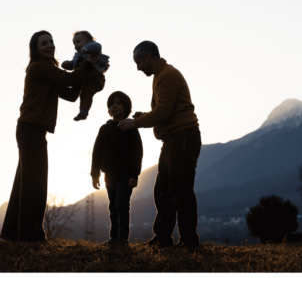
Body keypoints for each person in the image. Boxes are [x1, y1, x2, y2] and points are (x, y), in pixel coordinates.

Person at [0, 30, 102, 243]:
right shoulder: (40, 68)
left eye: (51, 41)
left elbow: (72, 94)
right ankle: (30, 234)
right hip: (30, 129)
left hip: (32, 130)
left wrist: (88, 79)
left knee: (25, 182)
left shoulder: (49, 71)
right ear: (35, 49)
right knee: (34, 182)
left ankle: (12, 232)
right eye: (44, 43)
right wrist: (90, 63)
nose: (49, 45)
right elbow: (72, 77)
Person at [117, 40, 202, 248]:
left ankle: (189, 239)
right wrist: (144, 116)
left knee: (180, 189)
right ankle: (163, 237)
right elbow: (165, 112)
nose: (138, 67)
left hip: (182, 137)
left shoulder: (167, 75)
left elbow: (163, 112)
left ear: (147, 57)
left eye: (138, 62)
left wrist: (136, 122)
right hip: (172, 139)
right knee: (162, 189)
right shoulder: (160, 76)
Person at [91, 91, 143, 245]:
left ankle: (122, 238)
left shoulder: (130, 127)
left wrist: (134, 175)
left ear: (126, 107)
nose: (114, 106)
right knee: (112, 206)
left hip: (125, 175)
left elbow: (137, 152)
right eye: (112, 103)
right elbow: (97, 152)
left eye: (118, 103)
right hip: (109, 175)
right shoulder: (104, 129)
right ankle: (114, 237)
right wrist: (95, 174)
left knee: (121, 204)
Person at [61, 31, 109, 121]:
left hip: (96, 78)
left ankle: (85, 110)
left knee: (88, 92)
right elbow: (74, 64)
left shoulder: (93, 47)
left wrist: (86, 49)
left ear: (87, 41)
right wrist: (68, 64)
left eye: (78, 42)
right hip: (85, 80)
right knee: (82, 94)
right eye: (74, 43)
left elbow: (97, 46)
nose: (76, 45)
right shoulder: (77, 55)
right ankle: (82, 112)